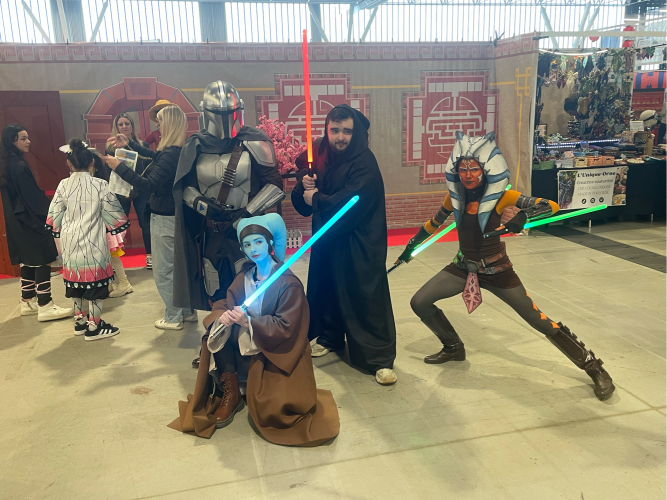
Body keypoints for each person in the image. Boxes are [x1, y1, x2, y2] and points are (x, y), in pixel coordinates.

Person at [401, 131, 615, 401]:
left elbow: (549, 205)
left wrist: (523, 215)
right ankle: (453, 347)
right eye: (463, 169)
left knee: (537, 320)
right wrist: (411, 246)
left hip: (497, 271)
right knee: (420, 302)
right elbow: (434, 223)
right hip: (463, 267)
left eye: (474, 169)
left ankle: (594, 367)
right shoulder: (455, 197)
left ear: (485, 169)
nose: (468, 175)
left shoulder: (500, 196)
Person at [169, 214, 340, 446]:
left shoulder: (288, 283)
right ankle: (232, 393)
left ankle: (260, 384)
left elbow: (288, 327)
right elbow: (227, 302)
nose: (253, 249)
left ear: (270, 243)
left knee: (276, 410)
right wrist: (224, 316)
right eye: (247, 244)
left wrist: (249, 322)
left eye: (258, 242)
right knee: (218, 331)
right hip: (247, 335)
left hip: (276, 346)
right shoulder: (245, 275)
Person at [172, 81, 284, 367]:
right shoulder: (196, 145)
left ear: (239, 111)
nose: (224, 119)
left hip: (246, 233)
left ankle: (251, 343)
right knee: (215, 290)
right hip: (213, 233)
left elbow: (275, 185)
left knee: (250, 288)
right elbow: (185, 188)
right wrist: (203, 205)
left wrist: (245, 212)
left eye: (229, 112)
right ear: (205, 113)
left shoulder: (255, 140)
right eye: (218, 113)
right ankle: (216, 345)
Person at [291, 104, 398, 386]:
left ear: (356, 133)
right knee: (328, 289)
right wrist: (305, 182)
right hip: (328, 238)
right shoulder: (321, 152)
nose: (340, 137)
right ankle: (330, 337)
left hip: (358, 240)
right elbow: (303, 173)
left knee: (364, 295)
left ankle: (378, 358)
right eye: (335, 130)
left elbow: (352, 203)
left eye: (347, 131)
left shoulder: (365, 162)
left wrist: (316, 199)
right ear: (327, 130)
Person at [106, 105, 197, 330]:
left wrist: (119, 168)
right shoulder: (178, 151)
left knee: (164, 270)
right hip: (174, 215)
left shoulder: (171, 154)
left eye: (161, 122)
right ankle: (186, 311)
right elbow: (155, 157)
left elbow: (148, 184)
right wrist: (131, 144)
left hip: (164, 217)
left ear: (170, 124)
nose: (158, 126)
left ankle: (173, 317)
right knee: (178, 268)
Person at [46, 139, 128, 340]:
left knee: (74, 283)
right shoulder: (100, 185)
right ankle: (94, 326)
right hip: (93, 241)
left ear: (69, 163)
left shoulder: (63, 185)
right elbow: (116, 217)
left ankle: (80, 322)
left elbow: (53, 218)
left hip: (70, 242)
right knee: (96, 284)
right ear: (92, 162)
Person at [0, 124, 72, 321]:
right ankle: (45, 304)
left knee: (28, 259)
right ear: (12, 141)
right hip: (30, 219)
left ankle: (27, 301)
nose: (28, 141)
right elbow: (32, 197)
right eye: (23, 138)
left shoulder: (5, 164)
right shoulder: (19, 166)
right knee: (42, 258)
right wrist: (51, 213)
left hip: (16, 220)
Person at [105, 112, 153, 271]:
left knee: (146, 224)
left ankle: (150, 257)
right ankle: (114, 261)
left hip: (140, 189)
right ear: (116, 127)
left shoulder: (142, 145)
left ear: (132, 126)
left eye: (127, 123)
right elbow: (107, 170)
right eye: (121, 124)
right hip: (120, 190)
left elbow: (148, 166)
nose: (124, 126)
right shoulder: (110, 147)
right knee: (118, 225)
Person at [90, 153, 133, 299]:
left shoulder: (101, 183)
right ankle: (109, 284)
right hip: (97, 225)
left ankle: (124, 282)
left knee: (112, 256)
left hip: (105, 226)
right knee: (103, 257)